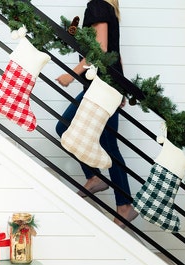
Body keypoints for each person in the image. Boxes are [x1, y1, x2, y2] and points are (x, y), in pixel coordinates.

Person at [55, 0, 138, 228]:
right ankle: (122, 203)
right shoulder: (108, 9)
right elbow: (115, 54)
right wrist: (121, 88)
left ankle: (97, 179)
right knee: (110, 145)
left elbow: (100, 49)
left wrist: (72, 74)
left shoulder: (97, 5)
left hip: (101, 86)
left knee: (64, 127)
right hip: (110, 85)